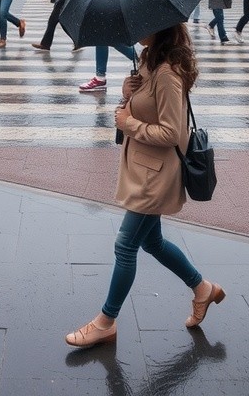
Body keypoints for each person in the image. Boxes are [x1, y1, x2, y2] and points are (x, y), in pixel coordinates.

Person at [65, 23, 225, 347]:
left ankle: (106, 322)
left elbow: (171, 133)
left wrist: (129, 123)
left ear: (160, 27)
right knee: (153, 242)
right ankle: (202, 289)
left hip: (156, 175)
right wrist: (128, 94)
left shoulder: (167, 73)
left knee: (125, 245)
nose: (136, 29)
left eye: (144, 25)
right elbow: (139, 109)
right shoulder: (149, 60)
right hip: (144, 168)